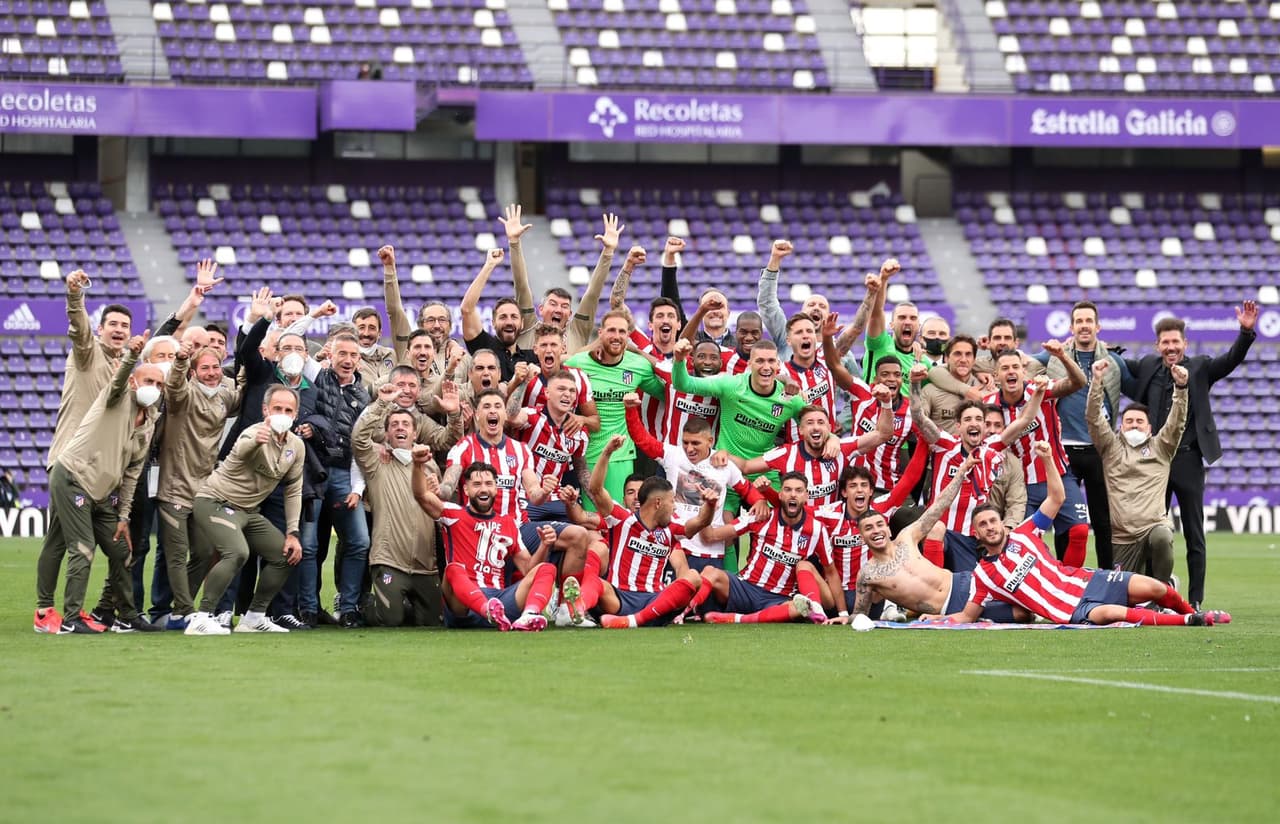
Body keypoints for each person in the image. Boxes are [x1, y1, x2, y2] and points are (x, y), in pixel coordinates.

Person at [936, 443, 1228, 627]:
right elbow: (967, 617)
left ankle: (1191, 610)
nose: (990, 527)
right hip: (1070, 611)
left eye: (992, 521)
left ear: (1001, 521)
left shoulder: (1024, 533)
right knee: (1114, 614)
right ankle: (1190, 620)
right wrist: (934, 619)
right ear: (976, 533)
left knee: (1157, 589)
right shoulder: (982, 575)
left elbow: (1056, 498)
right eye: (983, 525)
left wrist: (1048, 459)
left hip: (1088, 581)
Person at [1122, 302, 1257, 609]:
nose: (1170, 347)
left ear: (1184, 343)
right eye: (1165, 342)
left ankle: (1195, 600)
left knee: (1195, 534)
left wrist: (1246, 331)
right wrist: (1102, 350)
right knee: (1148, 531)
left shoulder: (1200, 367)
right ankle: (1150, 596)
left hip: (1187, 459)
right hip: (1155, 462)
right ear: (1158, 345)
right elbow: (1119, 363)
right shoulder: (1147, 367)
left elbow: (1232, 359)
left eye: (1175, 342)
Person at [41, 333, 162, 634]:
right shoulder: (117, 396)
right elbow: (119, 378)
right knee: (82, 549)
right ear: (135, 382)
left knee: (122, 552)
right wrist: (132, 356)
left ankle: (126, 616)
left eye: (159, 384)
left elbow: (133, 473)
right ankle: (70, 619)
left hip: (104, 493)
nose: (153, 388)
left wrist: (123, 517)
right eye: (148, 381)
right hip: (73, 479)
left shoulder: (149, 423)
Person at [847, 451, 1026, 623]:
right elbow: (859, 614)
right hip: (951, 607)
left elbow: (939, 506)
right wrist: (844, 616)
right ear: (862, 538)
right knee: (1021, 614)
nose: (876, 531)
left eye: (879, 525)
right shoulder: (867, 575)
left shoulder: (906, 537)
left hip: (965, 580)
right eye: (869, 528)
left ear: (888, 529)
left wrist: (962, 471)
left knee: (1024, 591)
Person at [185, 386, 306, 635]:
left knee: (285, 555)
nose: (282, 414)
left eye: (288, 410)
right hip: (215, 502)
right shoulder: (253, 433)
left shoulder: (296, 446)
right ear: (265, 410)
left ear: (296, 414)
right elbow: (243, 449)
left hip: (248, 512)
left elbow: (293, 490)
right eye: (277, 409)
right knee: (237, 552)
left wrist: (293, 532)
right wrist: (255, 442)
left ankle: (253, 618)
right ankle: (202, 616)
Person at [1029, 300, 1132, 570]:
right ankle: (1063, 578)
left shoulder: (1114, 361)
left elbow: (1138, 388)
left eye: (1089, 321)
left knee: (1103, 521)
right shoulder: (1053, 358)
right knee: (1066, 521)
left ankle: (1108, 577)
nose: (1084, 326)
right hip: (1064, 450)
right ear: (1072, 327)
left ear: (1098, 326)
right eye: (1079, 321)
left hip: (1099, 450)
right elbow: (1020, 365)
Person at [911, 365, 1038, 571]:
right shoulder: (943, 445)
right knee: (936, 528)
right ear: (958, 426)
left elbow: (1025, 419)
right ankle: (929, 586)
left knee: (969, 586)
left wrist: (1039, 392)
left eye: (979, 419)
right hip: (942, 532)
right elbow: (918, 416)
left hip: (973, 537)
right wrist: (915, 382)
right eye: (968, 419)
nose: (974, 423)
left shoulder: (993, 448)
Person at [153, 339, 242, 630]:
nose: (212, 372)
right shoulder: (184, 395)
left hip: (204, 491)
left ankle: (181, 611)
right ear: (194, 372)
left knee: (204, 552)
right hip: (174, 486)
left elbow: (245, 392)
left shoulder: (223, 397)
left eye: (216, 367)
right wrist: (180, 361)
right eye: (204, 368)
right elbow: (174, 386)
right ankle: (185, 611)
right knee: (177, 554)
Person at [413, 456, 559, 632]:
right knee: (453, 569)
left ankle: (529, 615)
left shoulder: (509, 523)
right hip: (463, 605)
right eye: (477, 484)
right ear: (465, 489)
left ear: (496, 488)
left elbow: (528, 570)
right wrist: (417, 464)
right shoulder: (453, 514)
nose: (484, 489)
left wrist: (544, 545)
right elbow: (421, 495)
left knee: (547, 568)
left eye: (489, 484)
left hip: (501, 600)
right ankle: (487, 610)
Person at [623, 398, 767, 571]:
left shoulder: (724, 464)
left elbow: (747, 489)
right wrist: (630, 410)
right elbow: (642, 440)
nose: (689, 449)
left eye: (695, 443)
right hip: (677, 547)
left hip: (711, 553)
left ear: (710, 441)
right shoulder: (673, 455)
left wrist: (759, 501)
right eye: (685, 442)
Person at [983, 344, 1090, 566]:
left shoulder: (1040, 389)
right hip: (1019, 487)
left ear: (1024, 371)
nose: (1011, 371)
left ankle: (1071, 587)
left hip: (1057, 477)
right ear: (996, 375)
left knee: (1079, 531)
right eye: (1005, 368)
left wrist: (1061, 356)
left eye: (1015, 367)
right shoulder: (987, 406)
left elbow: (1079, 382)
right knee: (1021, 544)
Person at [1089, 359, 1189, 583]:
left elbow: (1176, 422)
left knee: (1163, 536)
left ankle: (1163, 589)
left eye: (1140, 422)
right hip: (1121, 537)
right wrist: (1096, 382)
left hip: (1153, 528)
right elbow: (1094, 419)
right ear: (1120, 426)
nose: (1134, 425)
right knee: (1124, 598)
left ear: (1150, 428)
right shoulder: (1110, 447)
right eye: (1129, 421)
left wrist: (1181, 389)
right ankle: (1154, 581)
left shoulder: (1161, 447)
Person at [351, 391, 443, 627]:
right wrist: (382, 402)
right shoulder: (376, 460)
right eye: (393, 425)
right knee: (391, 621)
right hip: (390, 560)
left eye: (405, 424)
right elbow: (358, 438)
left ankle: (406, 605)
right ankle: (366, 605)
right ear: (387, 433)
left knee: (432, 623)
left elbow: (439, 507)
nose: (399, 428)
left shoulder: (429, 464)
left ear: (415, 433)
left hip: (425, 565)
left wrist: (438, 489)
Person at [697, 472, 834, 624]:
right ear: (780, 494)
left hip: (778, 599)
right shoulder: (761, 516)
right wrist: (707, 506)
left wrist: (843, 612)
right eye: (788, 490)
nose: (793, 495)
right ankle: (683, 613)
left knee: (801, 607)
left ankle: (736, 619)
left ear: (806, 496)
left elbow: (831, 572)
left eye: (798, 490)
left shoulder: (816, 529)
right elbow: (710, 536)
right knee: (710, 572)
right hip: (746, 588)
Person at [565, 309, 666, 506]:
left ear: (628, 336)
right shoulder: (578, 363)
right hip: (589, 454)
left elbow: (667, 393)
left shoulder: (638, 366)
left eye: (622, 331)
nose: (617, 336)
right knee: (593, 519)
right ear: (600, 333)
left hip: (621, 452)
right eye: (611, 330)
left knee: (619, 514)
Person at [591, 477, 719, 629]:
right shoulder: (623, 520)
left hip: (655, 603)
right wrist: (606, 453)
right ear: (658, 503)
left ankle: (634, 621)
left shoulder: (671, 529)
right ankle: (576, 610)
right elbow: (595, 491)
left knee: (693, 577)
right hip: (621, 600)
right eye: (672, 501)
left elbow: (700, 522)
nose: (674, 507)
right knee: (595, 579)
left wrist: (710, 505)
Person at [727, 399, 893, 509]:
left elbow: (883, 434)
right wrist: (717, 453)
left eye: (821, 422)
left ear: (829, 428)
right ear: (800, 430)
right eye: (809, 423)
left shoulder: (842, 448)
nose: (815, 427)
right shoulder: (786, 453)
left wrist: (886, 403)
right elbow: (746, 466)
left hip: (831, 531)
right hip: (798, 531)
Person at [509, 207, 621, 353]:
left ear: (570, 314)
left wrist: (608, 252)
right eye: (553, 304)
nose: (558, 310)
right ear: (540, 309)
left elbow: (593, 294)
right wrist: (514, 242)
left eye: (564, 306)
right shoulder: (527, 326)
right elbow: (521, 285)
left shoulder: (577, 331)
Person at [460, 249, 536, 382]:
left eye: (514, 317)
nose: (509, 322)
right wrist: (489, 265)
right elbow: (467, 309)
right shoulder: (484, 346)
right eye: (503, 317)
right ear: (493, 322)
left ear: (522, 323)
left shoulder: (532, 358)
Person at [350, 306, 397, 387]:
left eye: (372, 328)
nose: (366, 333)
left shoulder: (392, 355)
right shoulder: (348, 360)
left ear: (379, 333)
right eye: (361, 328)